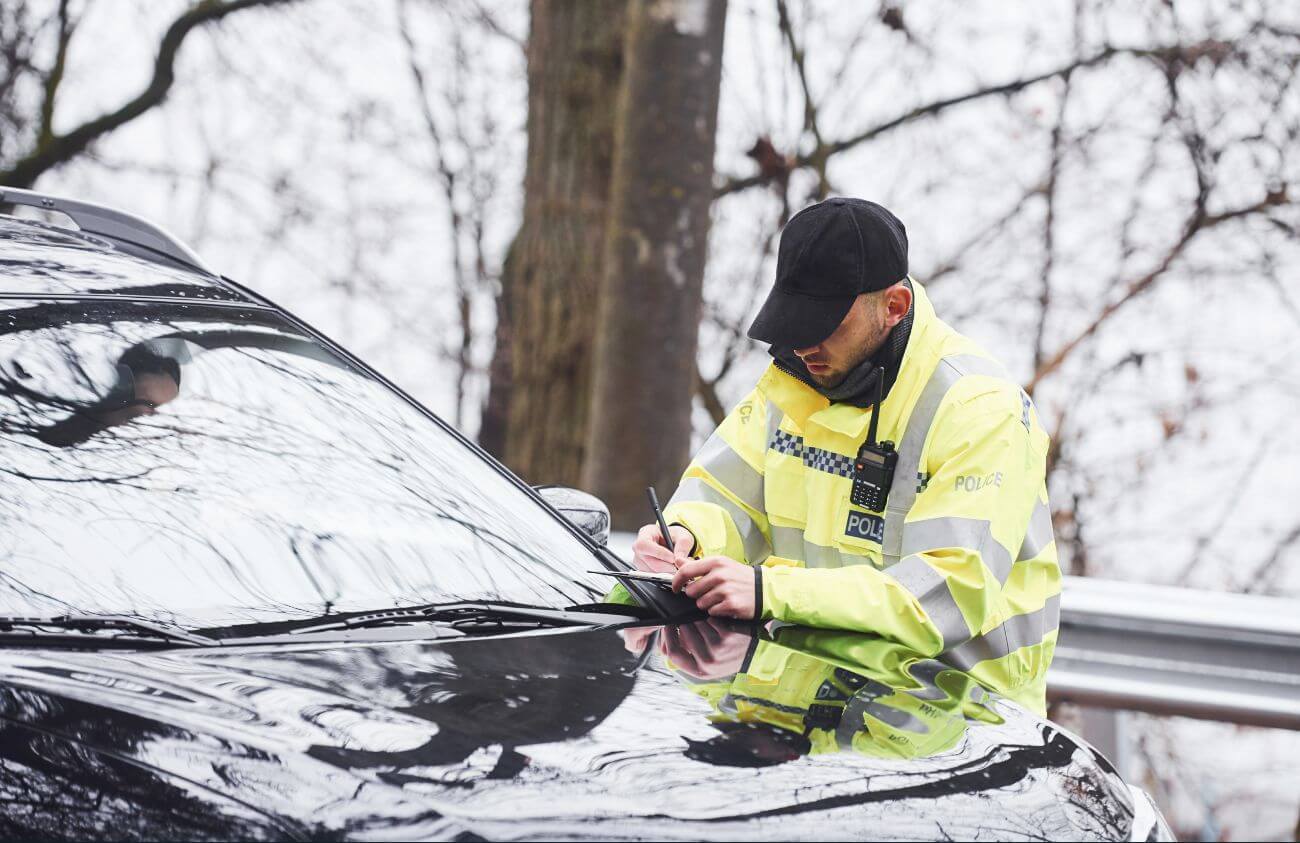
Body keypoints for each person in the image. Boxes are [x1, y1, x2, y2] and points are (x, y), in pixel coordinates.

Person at [629, 197, 1060, 713]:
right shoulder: (794, 382)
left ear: (894, 307)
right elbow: (723, 496)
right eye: (793, 319)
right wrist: (687, 535)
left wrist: (771, 591)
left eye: (824, 322)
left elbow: (943, 596)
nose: (804, 343)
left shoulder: (981, 409)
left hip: (963, 721)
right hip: (818, 704)